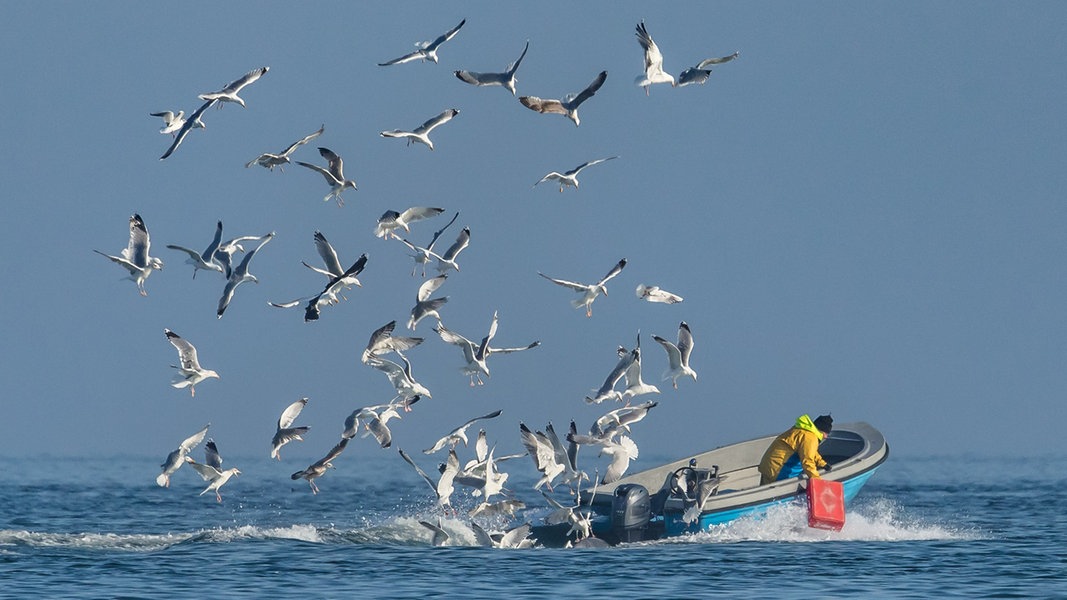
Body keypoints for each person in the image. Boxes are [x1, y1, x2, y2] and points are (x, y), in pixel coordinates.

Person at [757, 414, 833, 485]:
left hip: (769, 466)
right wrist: (818, 482)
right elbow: (807, 461)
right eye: (826, 433)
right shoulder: (810, 438)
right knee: (777, 494)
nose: (826, 437)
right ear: (821, 431)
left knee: (764, 491)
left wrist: (822, 463)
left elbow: (809, 451)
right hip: (778, 471)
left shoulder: (802, 430)